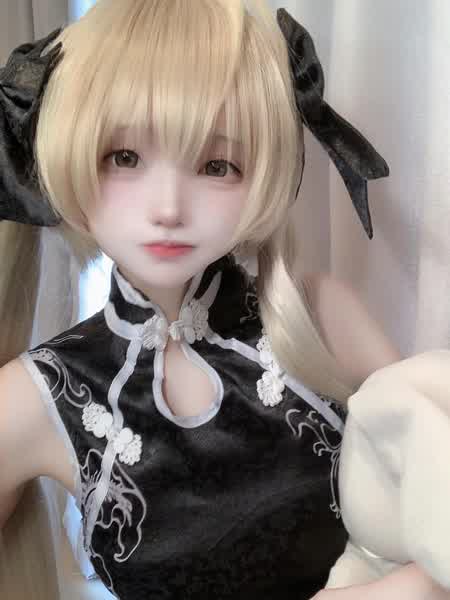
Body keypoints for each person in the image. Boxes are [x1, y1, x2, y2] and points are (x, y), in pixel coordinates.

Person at [0, 1, 447, 599]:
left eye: (217, 164)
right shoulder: (35, 396)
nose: (168, 208)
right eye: (124, 157)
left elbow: (432, 506)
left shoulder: (322, 318)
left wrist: (409, 587)